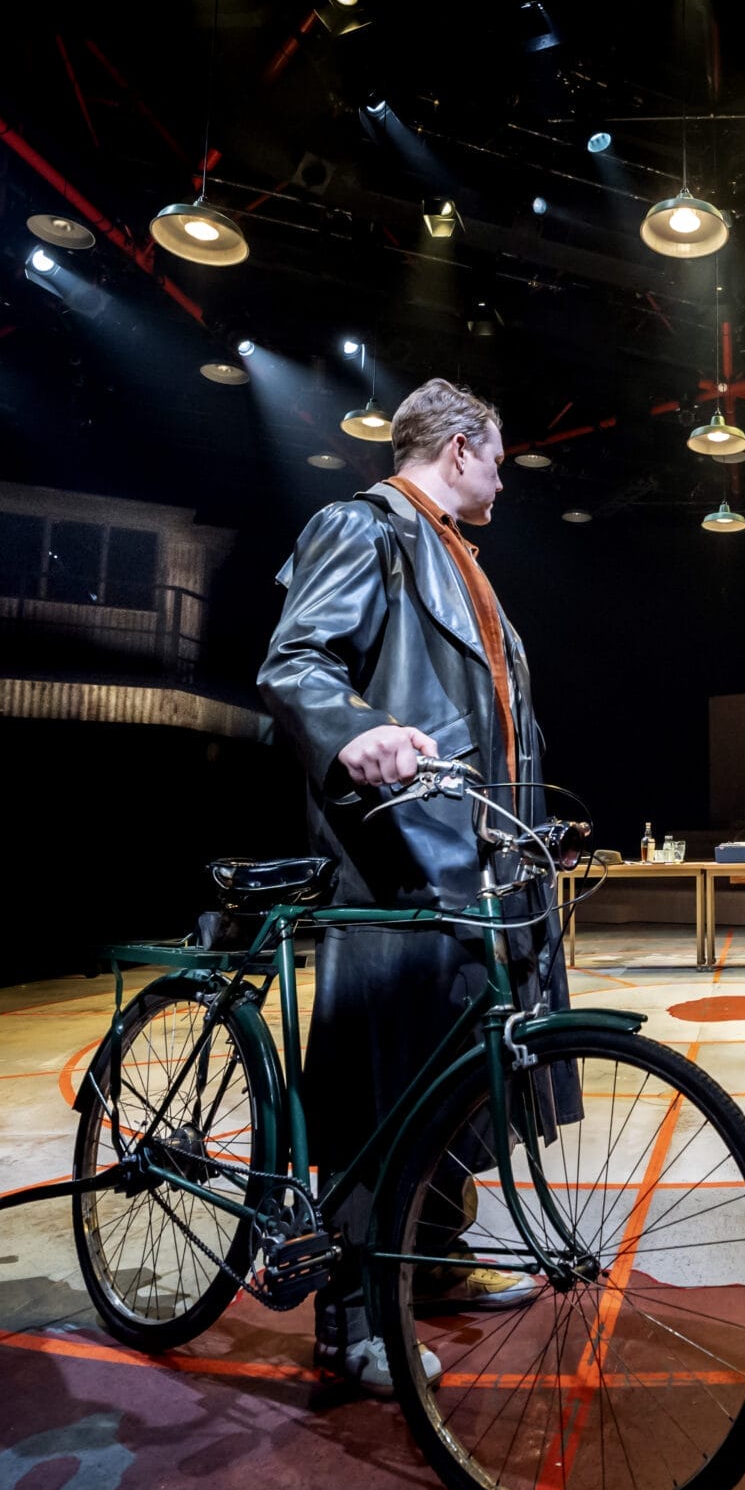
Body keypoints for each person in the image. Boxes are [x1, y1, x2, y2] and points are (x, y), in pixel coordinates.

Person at [257, 377, 576, 1395]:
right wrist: (358, 734)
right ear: (459, 446)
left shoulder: (455, 556)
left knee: (455, 1082)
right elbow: (296, 661)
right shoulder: (367, 528)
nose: (502, 478)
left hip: (473, 857)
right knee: (379, 1094)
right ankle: (348, 1327)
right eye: (497, 457)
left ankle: (433, 1257)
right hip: (397, 856)